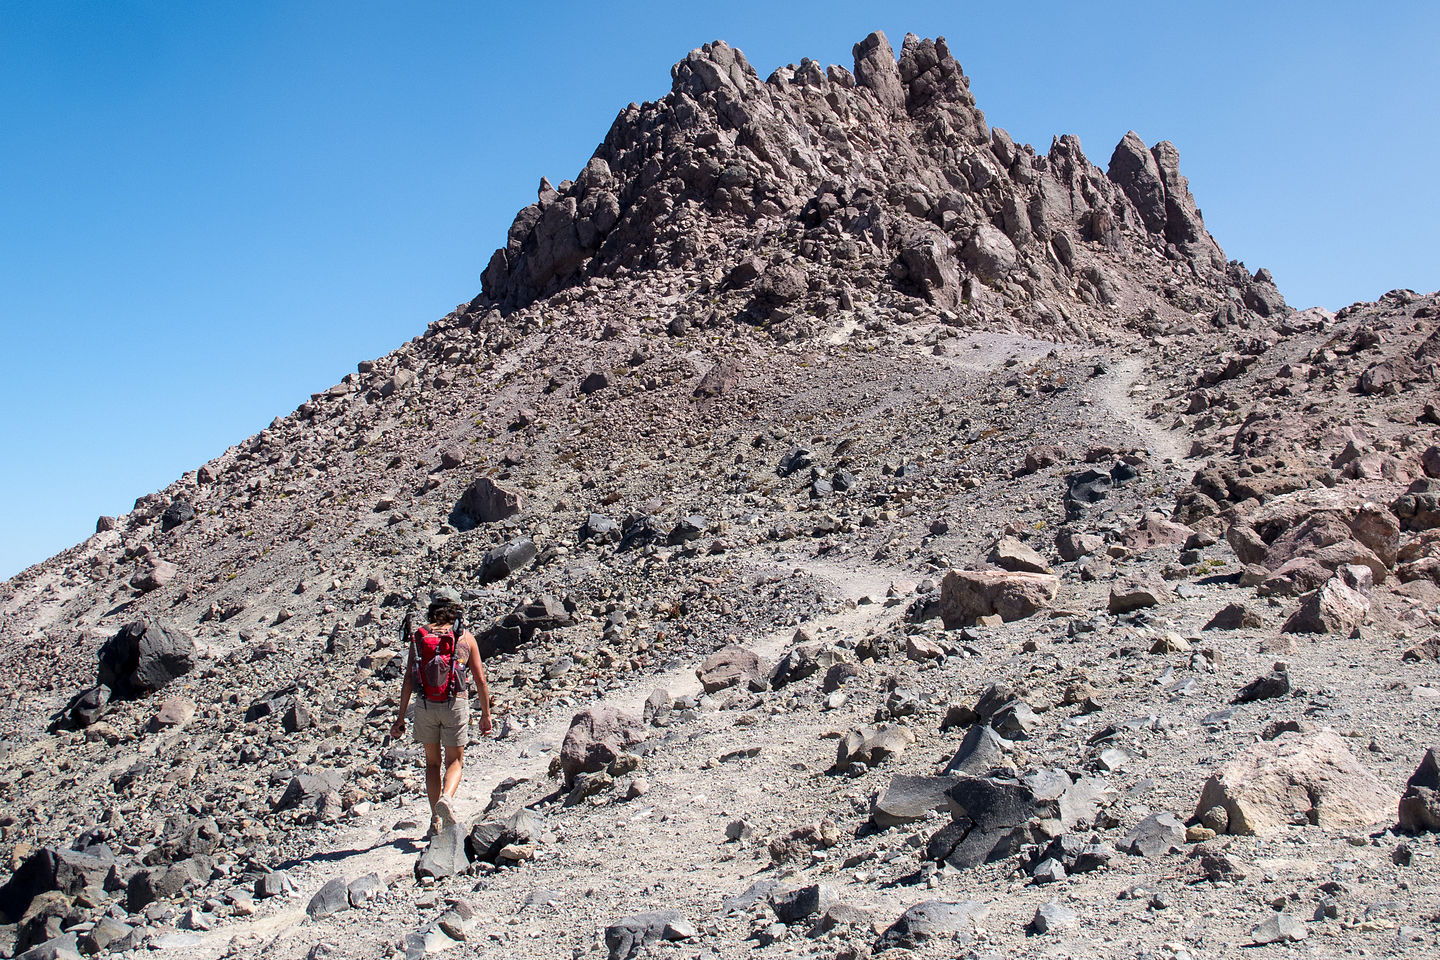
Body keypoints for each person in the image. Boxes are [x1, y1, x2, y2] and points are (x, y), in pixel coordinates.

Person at [390, 594, 493, 836]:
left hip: (425, 705)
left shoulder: (419, 636)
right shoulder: (465, 638)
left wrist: (401, 717)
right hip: (455, 703)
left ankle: (435, 820)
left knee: (432, 763)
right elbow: (480, 679)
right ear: (456, 612)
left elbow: (408, 679)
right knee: (454, 761)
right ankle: (446, 798)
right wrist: (485, 714)